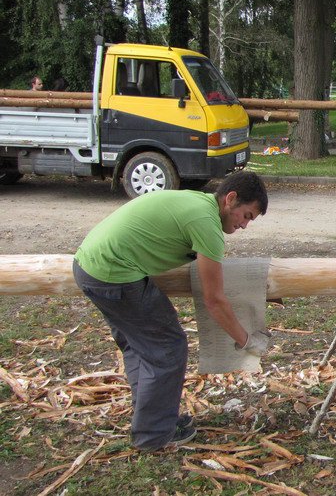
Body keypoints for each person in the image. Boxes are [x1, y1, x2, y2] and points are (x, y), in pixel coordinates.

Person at [72, 172, 271, 451]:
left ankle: (152, 418)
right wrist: (247, 340)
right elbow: (214, 300)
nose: (245, 225)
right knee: (167, 347)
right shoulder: (206, 223)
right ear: (231, 199)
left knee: (140, 347)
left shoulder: (200, 203)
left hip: (88, 265)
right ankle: (154, 435)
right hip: (112, 273)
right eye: (247, 216)